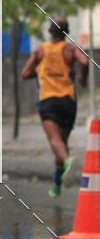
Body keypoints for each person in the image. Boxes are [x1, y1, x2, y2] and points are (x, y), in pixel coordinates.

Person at [22, 16, 89, 197]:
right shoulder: (70, 49)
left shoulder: (39, 51)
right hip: (68, 101)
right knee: (62, 143)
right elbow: (84, 61)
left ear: (50, 31)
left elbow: (25, 73)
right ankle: (56, 184)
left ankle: (67, 162)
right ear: (66, 32)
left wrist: (40, 73)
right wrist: (82, 78)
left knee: (55, 141)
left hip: (48, 100)